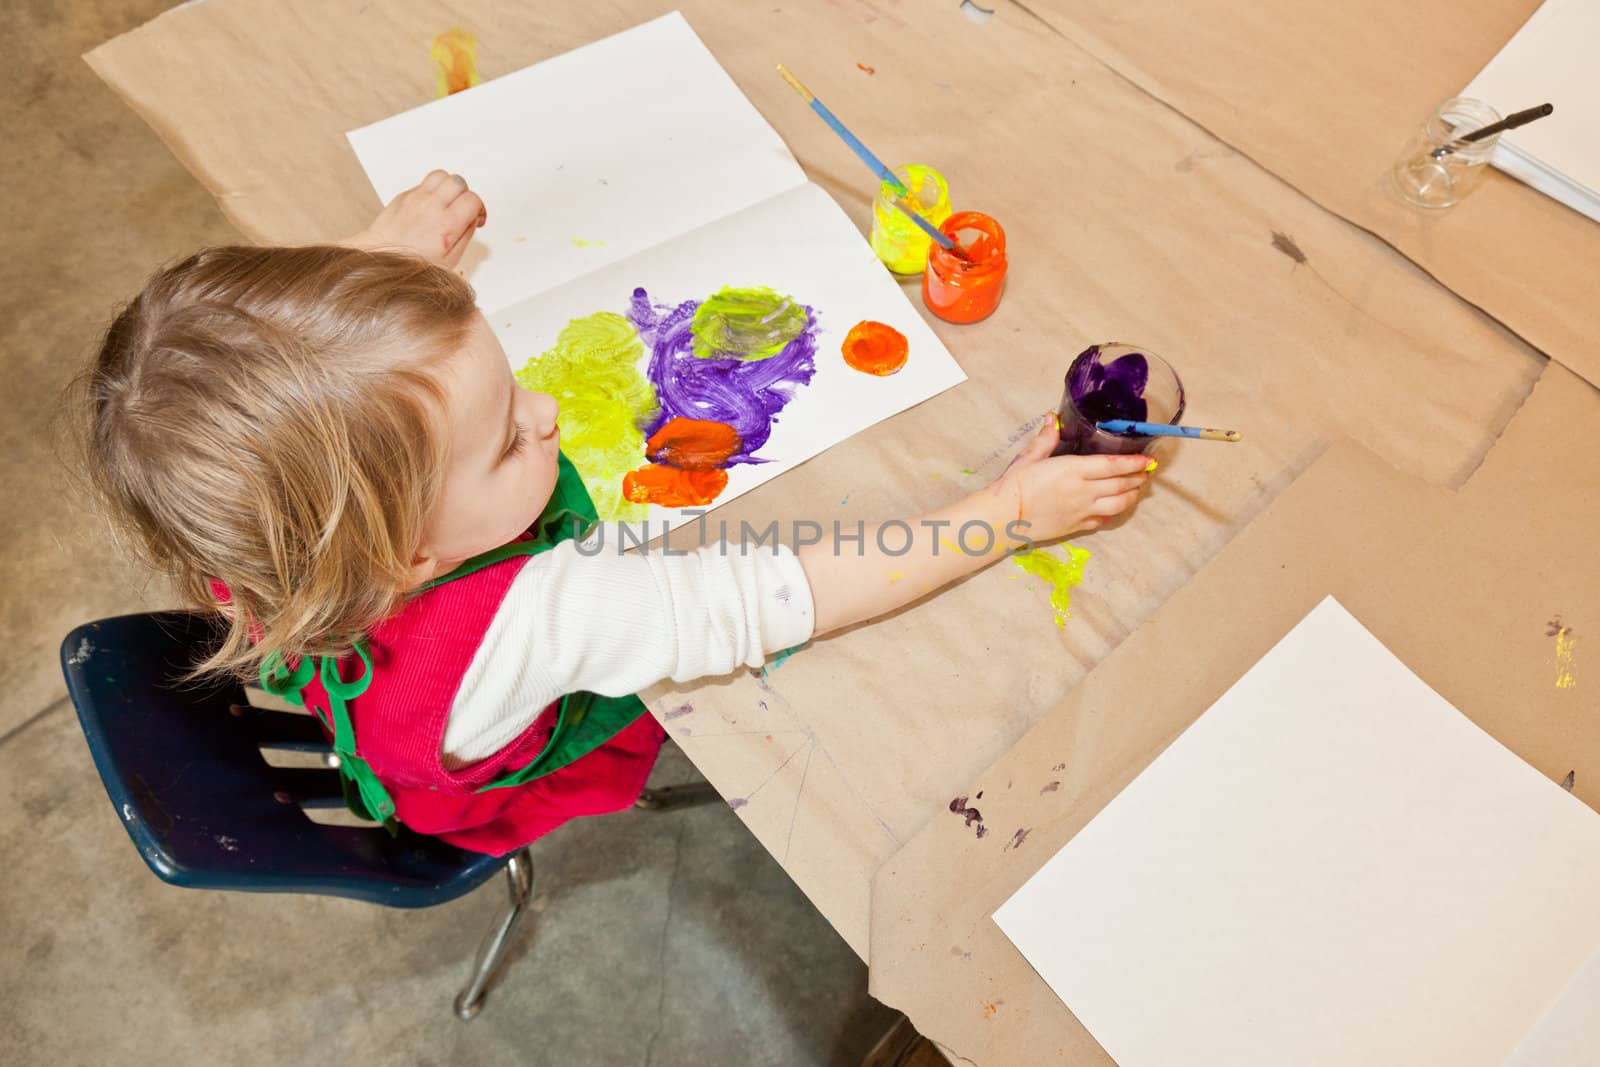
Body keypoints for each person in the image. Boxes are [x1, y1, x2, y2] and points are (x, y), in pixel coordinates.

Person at [77, 171, 1152, 854]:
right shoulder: (550, 614)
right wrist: (1009, 509)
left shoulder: (245, 510)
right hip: (467, 790)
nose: (545, 410)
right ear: (405, 552)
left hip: (359, 693)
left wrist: (378, 276)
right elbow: (791, 591)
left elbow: (274, 396)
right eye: (505, 437)